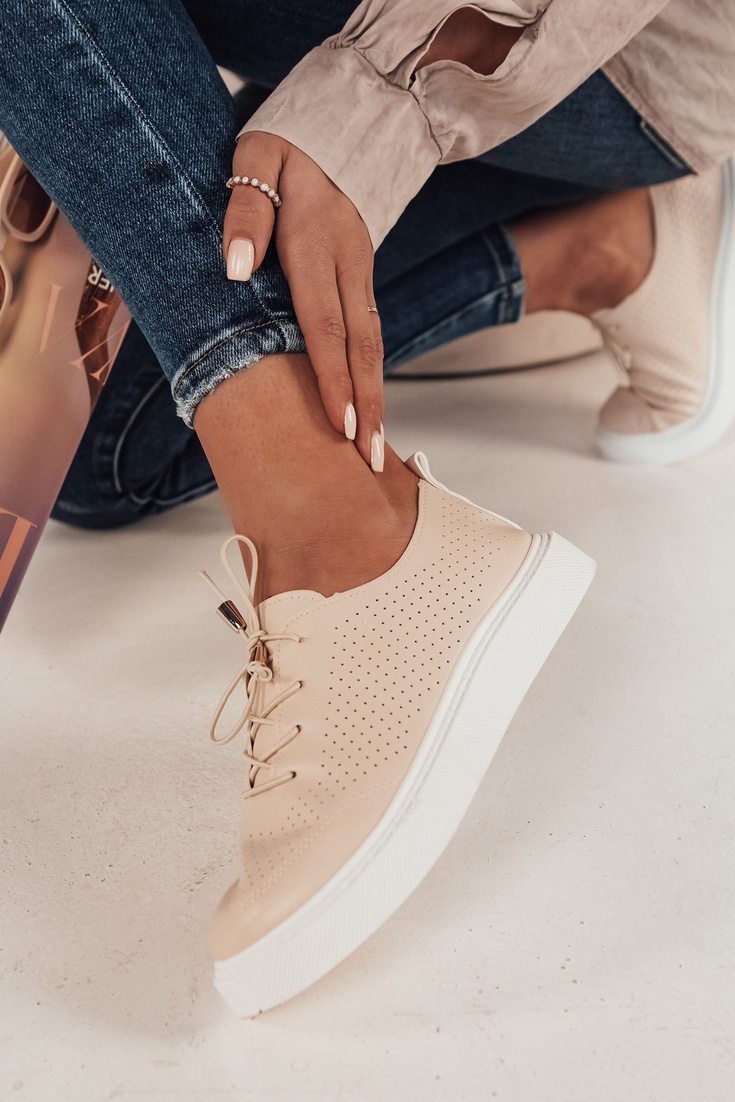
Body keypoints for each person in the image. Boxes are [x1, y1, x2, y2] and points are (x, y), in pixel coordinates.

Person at [1, 1, 732, 1016]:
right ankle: (598, 245)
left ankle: (341, 535)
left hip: (605, 42)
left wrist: (378, 95)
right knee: (87, 448)